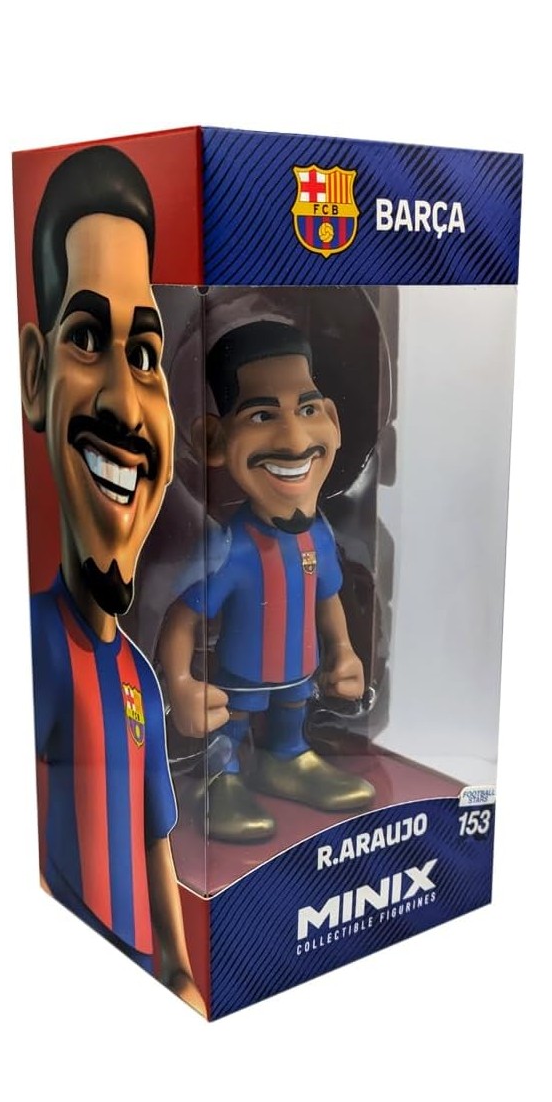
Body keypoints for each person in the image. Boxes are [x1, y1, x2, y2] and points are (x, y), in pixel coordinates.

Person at [19, 145, 204, 1013]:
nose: (127, 407)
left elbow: (156, 836)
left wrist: (180, 971)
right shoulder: (33, 643)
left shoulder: (140, 679)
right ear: (35, 377)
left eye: (147, 354)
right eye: (88, 339)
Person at [158, 319, 375, 844]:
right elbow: (181, 617)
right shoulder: (229, 549)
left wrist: (344, 651)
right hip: (240, 679)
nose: (295, 440)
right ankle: (221, 779)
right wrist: (181, 684)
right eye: (262, 415)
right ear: (213, 440)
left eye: (308, 410)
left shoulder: (319, 536)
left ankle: (286, 758)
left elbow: (327, 598)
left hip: (301, 674)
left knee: (291, 714)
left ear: (333, 421)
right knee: (231, 726)